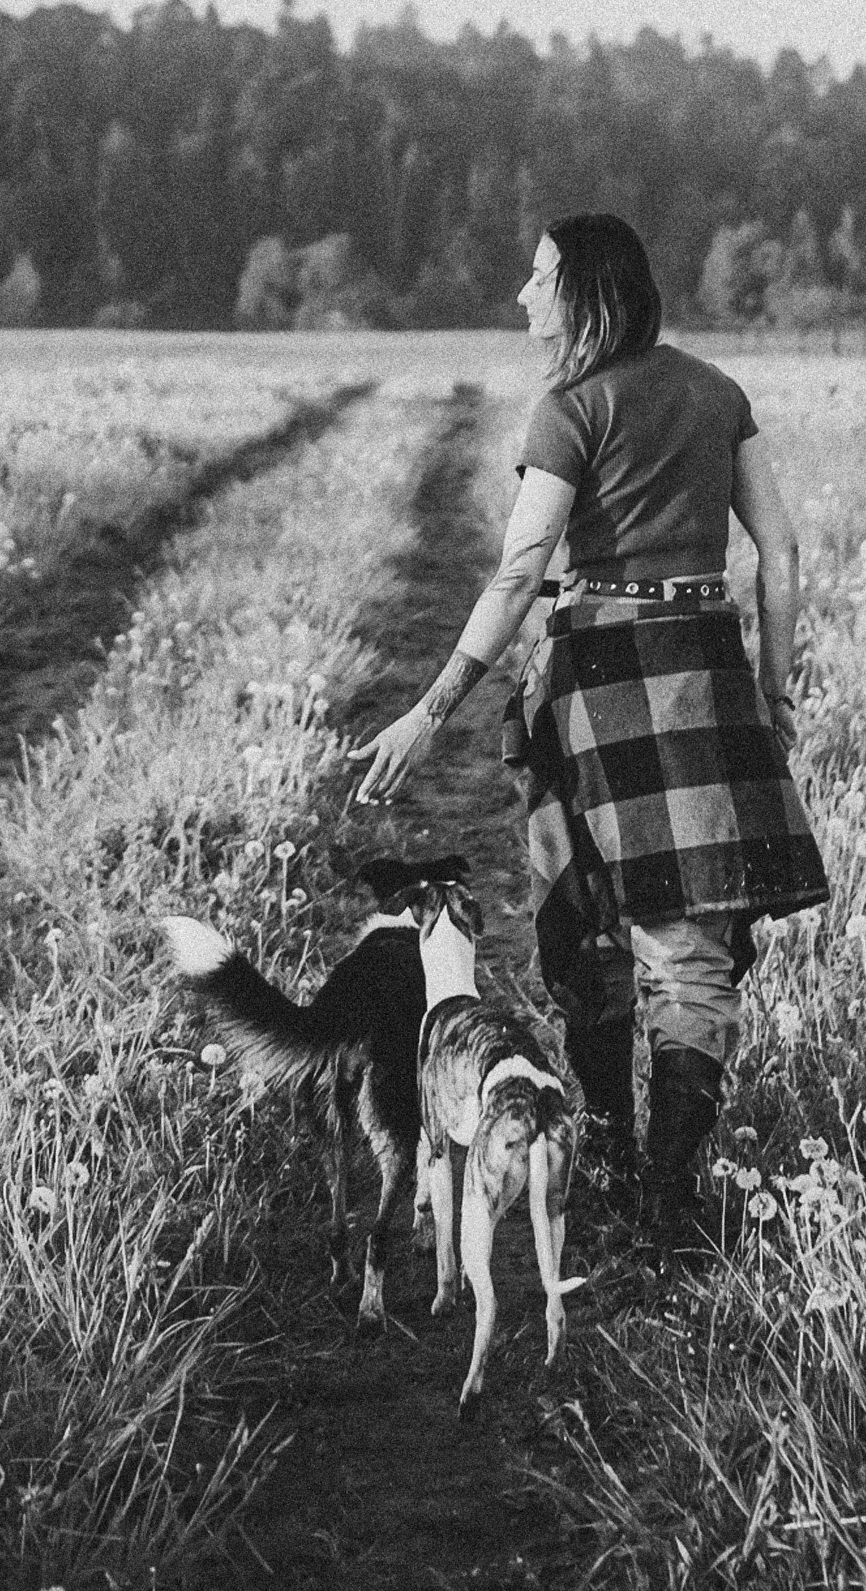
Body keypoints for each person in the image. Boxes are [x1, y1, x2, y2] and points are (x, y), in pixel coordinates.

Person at [351, 212, 827, 1265]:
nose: (522, 296)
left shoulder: (569, 407)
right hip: (702, 667)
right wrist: (773, 691)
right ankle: (664, 1198)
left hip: (597, 675)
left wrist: (431, 708)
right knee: (691, 952)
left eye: (537, 279)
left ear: (583, 292)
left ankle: (612, 1163)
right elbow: (780, 553)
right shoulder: (715, 392)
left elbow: (521, 574)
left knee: (587, 926)